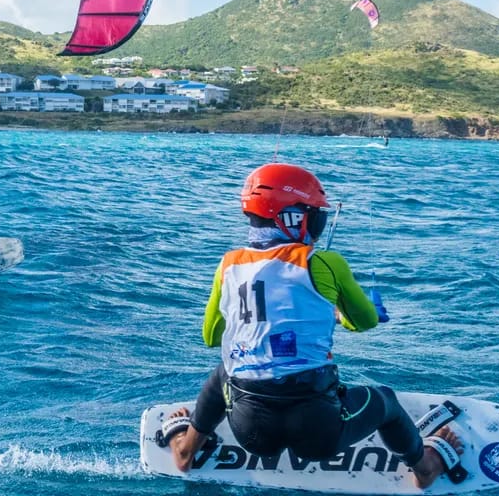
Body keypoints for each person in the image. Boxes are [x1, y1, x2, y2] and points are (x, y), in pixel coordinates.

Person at [163, 163, 464, 489]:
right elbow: (364, 321)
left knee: (226, 369)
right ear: (292, 217)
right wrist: (340, 315)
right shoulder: (325, 263)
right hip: (319, 432)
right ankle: (425, 468)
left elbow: (211, 336)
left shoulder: (228, 265)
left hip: (251, 431)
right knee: (386, 401)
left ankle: (186, 449)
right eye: (315, 213)